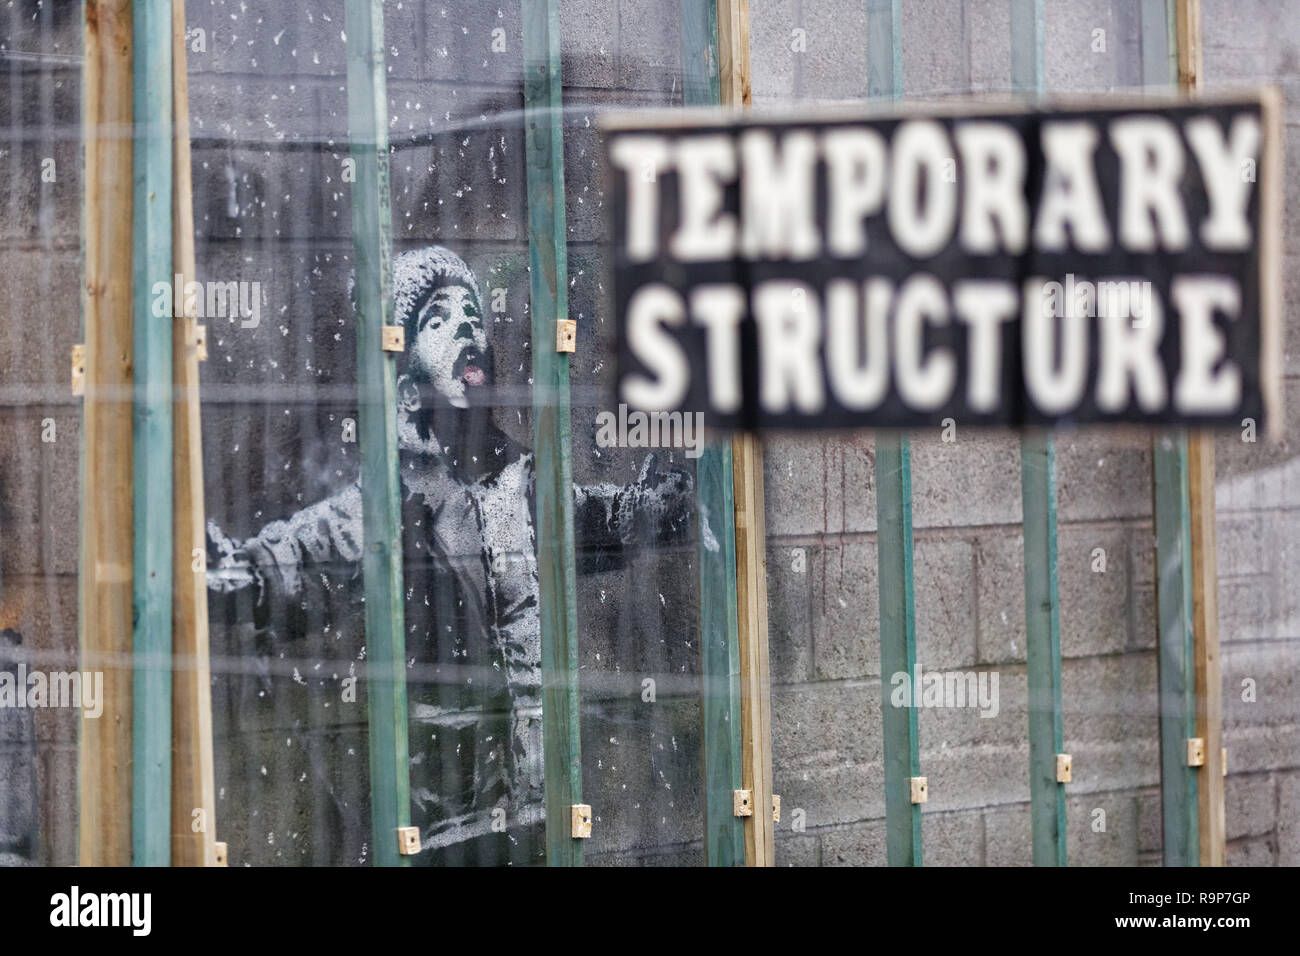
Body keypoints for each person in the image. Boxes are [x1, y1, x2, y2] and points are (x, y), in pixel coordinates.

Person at [206, 246, 698, 864]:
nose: (467, 325)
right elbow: (311, 552)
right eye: (437, 320)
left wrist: (656, 506)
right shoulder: (393, 500)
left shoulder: (524, 484)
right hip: (447, 824)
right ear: (407, 388)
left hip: (539, 804)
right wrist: (239, 573)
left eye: (472, 314)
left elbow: (598, 520)